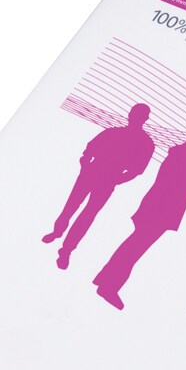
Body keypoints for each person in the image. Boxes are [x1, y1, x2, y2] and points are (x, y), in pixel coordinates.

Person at [93, 128, 186, 310]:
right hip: (160, 209)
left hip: (158, 208)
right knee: (134, 249)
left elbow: (185, 176)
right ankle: (108, 286)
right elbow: (185, 181)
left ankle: (105, 281)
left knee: (133, 247)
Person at [42, 103, 155, 269]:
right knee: (73, 207)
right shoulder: (119, 134)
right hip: (93, 173)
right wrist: (86, 164)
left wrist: (116, 179)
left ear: (144, 118)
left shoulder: (144, 142)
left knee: (86, 213)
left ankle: (66, 249)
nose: (133, 117)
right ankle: (59, 234)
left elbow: (137, 170)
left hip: (106, 178)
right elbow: (90, 149)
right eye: (133, 113)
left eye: (137, 115)